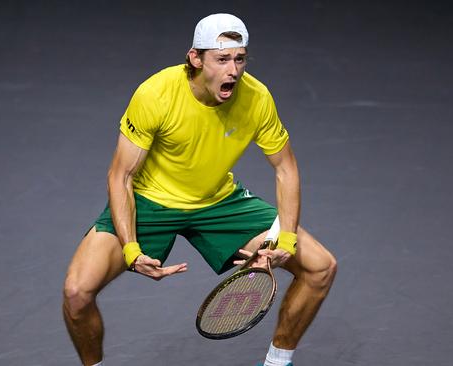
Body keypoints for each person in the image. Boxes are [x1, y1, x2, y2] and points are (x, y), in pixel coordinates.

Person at [62, 13, 337, 366]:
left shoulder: (256, 98)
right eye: (222, 59)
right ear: (195, 58)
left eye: (240, 58)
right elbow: (121, 177)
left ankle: (277, 363)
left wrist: (286, 240)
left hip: (219, 203)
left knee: (321, 267)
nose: (234, 71)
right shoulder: (156, 94)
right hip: (150, 202)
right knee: (76, 293)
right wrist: (131, 248)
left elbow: (286, 169)